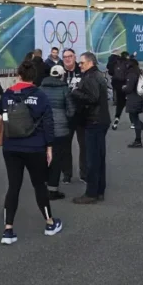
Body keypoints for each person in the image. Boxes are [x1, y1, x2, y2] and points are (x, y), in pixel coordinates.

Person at [0, 60, 62, 244]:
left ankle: (8, 230)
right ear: (35, 77)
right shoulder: (40, 96)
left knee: (13, 186)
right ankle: (49, 223)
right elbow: (48, 123)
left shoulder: (8, 94)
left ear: (19, 75)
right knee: (39, 185)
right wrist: (49, 146)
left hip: (11, 147)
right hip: (35, 147)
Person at [71, 52, 110, 205]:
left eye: (81, 63)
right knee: (99, 157)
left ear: (90, 63)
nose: (79, 65)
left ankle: (91, 192)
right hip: (100, 119)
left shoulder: (90, 77)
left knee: (92, 159)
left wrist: (76, 92)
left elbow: (92, 97)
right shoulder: (98, 75)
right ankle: (99, 190)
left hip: (94, 120)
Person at [40, 64, 75, 199]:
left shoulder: (41, 88)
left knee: (44, 157)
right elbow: (71, 111)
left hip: (43, 129)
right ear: (62, 75)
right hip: (61, 130)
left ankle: (43, 185)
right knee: (57, 159)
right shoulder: (64, 89)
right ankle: (53, 190)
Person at [60, 48, 83, 184]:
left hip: (80, 113)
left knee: (84, 145)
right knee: (65, 146)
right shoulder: (59, 72)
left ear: (75, 57)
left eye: (70, 56)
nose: (67, 59)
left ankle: (84, 173)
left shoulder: (82, 71)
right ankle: (67, 173)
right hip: (65, 116)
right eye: (65, 57)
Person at [123, 58, 143, 148]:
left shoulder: (131, 74)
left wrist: (124, 87)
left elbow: (129, 88)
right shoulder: (138, 73)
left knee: (135, 120)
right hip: (138, 98)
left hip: (133, 99)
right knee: (135, 119)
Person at [111, 51, 130, 129]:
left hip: (118, 86)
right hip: (126, 85)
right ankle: (133, 122)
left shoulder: (116, 62)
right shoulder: (127, 63)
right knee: (130, 103)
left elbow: (111, 72)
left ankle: (116, 118)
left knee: (120, 104)